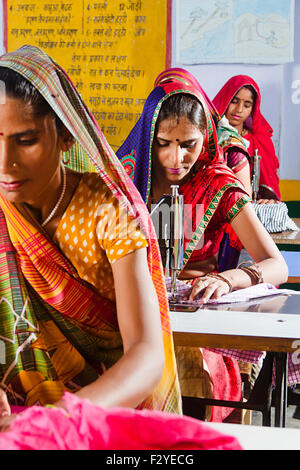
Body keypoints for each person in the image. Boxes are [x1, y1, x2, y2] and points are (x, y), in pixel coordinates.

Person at [0, 45, 182, 431]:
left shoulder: (108, 211)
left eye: (26, 140)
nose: (5, 163)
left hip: (108, 407)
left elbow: (147, 354)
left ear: (66, 135)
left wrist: (59, 420)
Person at [116, 67, 288, 421]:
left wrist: (227, 279)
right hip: (135, 312)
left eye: (188, 145)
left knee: (186, 370)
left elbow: (277, 265)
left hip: (198, 318)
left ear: (206, 137)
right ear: (149, 136)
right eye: (163, 144)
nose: (174, 159)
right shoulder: (128, 175)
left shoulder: (218, 185)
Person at [213, 75, 281, 204]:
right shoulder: (209, 136)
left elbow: (268, 184)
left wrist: (269, 200)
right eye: (234, 101)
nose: (239, 109)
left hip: (248, 207)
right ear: (225, 99)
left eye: (247, 105)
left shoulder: (259, 141)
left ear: (253, 109)